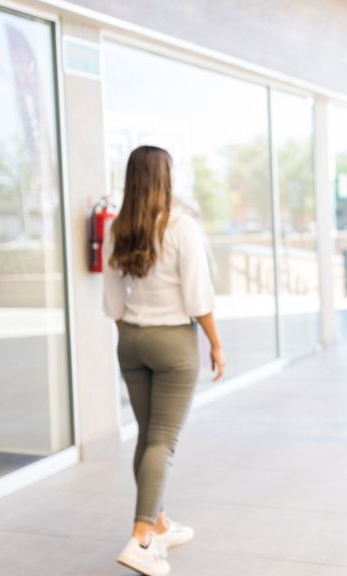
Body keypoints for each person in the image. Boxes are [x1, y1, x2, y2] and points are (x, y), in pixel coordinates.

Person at [103, 145, 225, 576]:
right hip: (173, 343)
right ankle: (141, 539)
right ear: (165, 178)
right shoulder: (179, 227)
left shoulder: (119, 229)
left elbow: (113, 303)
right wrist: (215, 343)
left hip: (131, 340)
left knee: (147, 436)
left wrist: (135, 337)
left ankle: (158, 521)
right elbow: (198, 296)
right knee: (162, 441)